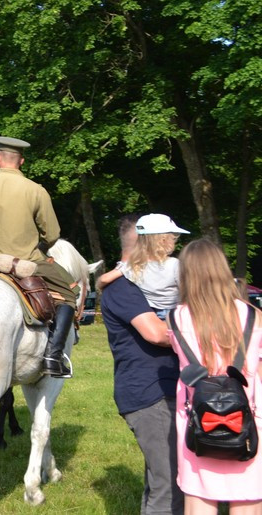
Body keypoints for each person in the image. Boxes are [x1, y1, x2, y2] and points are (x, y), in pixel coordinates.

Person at [0, 136, 80, 377]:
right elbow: (52, 234)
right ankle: (53, 357)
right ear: (21, 161)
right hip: (25, 261)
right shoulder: (36, 190)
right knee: (69, 293)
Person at [167, 238, 262, 514]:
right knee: (248, 501)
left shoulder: (177, 318)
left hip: (199, 421)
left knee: (199, 503)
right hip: (248, 421)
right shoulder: (253, 316)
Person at [101, 218, 184, 514]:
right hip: (149, 394)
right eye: (169, 239)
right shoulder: (123, 288)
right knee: (170, 482)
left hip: (167, 388)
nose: (173, 245)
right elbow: (157, 334)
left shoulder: (148, 284)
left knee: (163, 477)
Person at [100, 213, 188, 320]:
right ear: (164, 240)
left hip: (151, 314)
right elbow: (188, 291)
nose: (174, 241)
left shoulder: (133, 266)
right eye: (173, 238)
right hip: (175, 314)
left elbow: (104, 279)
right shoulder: (174, 264)